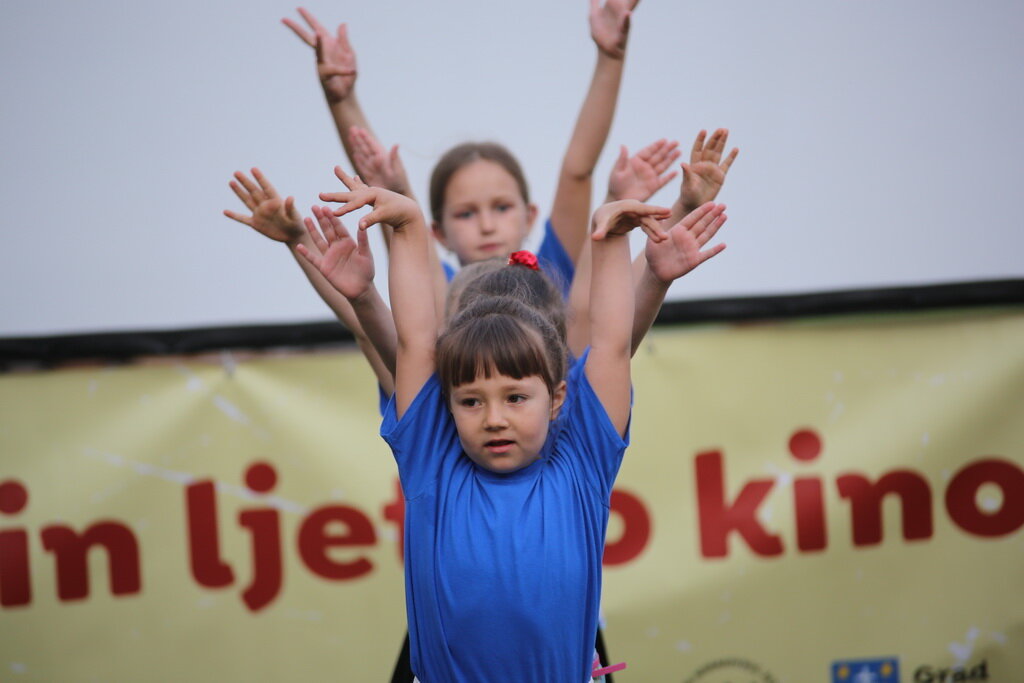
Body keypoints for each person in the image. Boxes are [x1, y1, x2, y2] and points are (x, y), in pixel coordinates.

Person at [297, 169, 727, 681]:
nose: (495, 418)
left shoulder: (581, 465)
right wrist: (409, 224)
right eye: (471, 401)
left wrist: (614, 241)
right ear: (447, 406)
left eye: (516, 397)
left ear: (557, 397)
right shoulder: (433, 464)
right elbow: (413, 341)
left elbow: (611, 345)